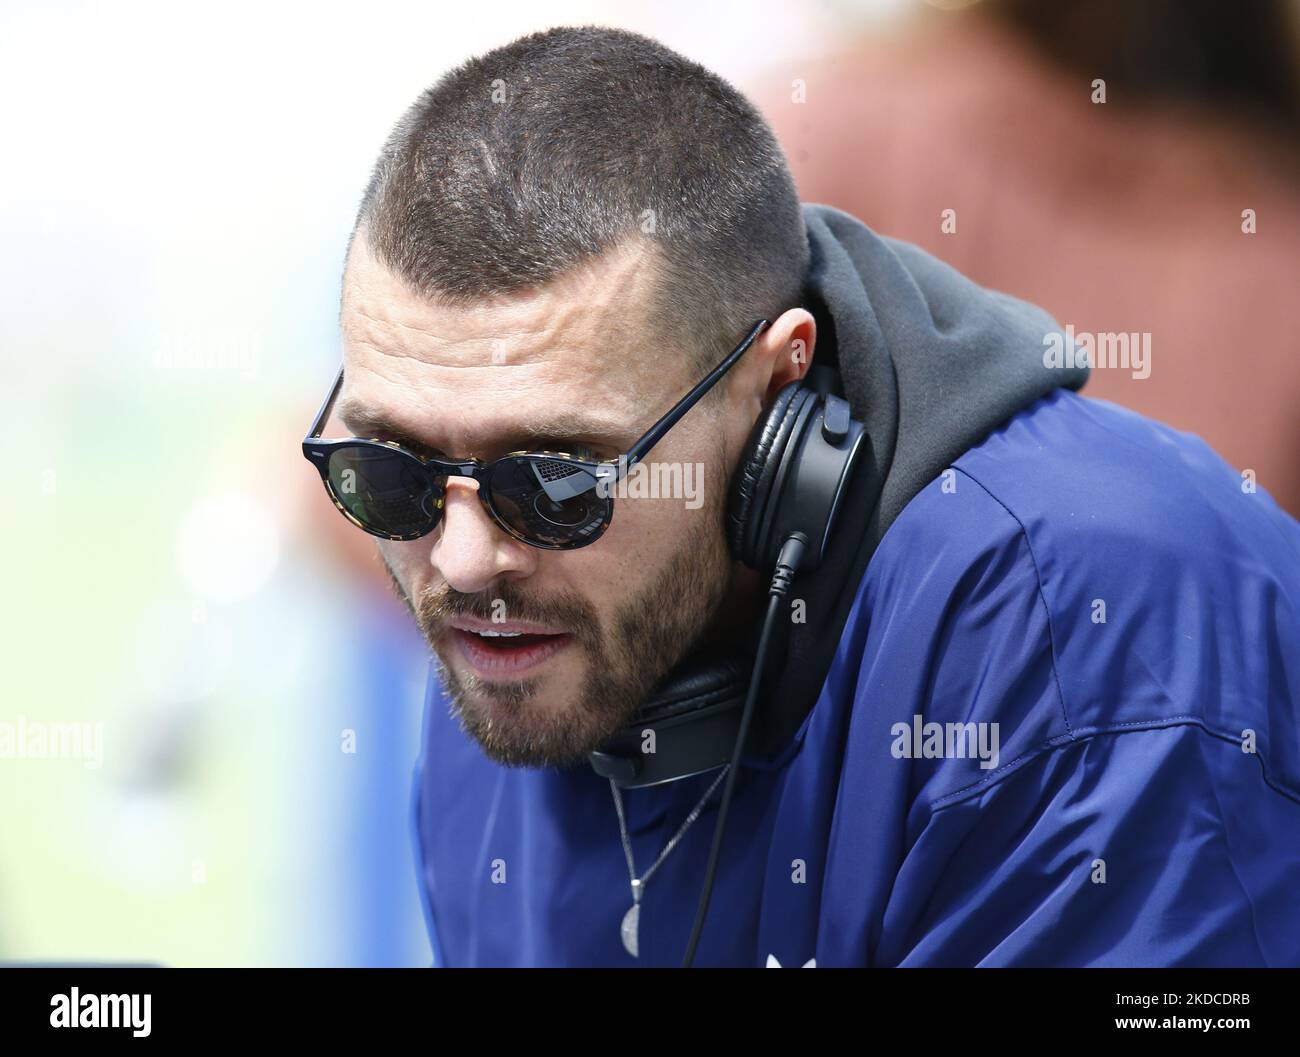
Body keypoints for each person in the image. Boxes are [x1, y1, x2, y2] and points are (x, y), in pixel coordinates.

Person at [300, 26, 1300, 967]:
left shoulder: (1094, 647)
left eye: (559, 482)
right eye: (391, 474)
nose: (465, 562)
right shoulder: (511, 645)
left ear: (775, 390)